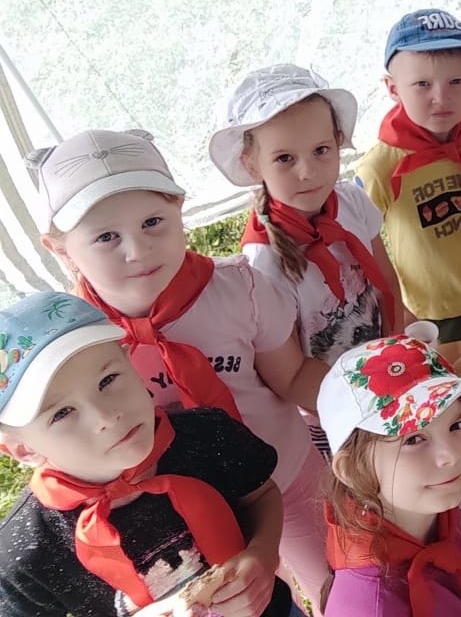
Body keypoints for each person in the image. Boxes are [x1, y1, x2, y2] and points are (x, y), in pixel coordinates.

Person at [32, 129, 331, 611]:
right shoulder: (71, 350)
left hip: (288, 475)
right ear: (60, 250)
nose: (137, 250)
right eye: (106, 237)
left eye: (153, 221)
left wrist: (371, 400)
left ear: (180, 208)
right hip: (179, 520)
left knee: (337, 583)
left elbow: (293, 377)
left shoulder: (241, 291)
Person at [0, 292, 301, 617]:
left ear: (129, 360)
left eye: (107, 380)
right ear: (22, 448)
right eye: (62, 413)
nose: (106, 417)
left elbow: (260, 495)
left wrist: (263, 553)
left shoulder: (207, 434)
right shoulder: (27, 547)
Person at [210, 64, 405, 457]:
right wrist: (367, 400)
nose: (308, 172)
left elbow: (386, 280)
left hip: (390, 372)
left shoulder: (352, 202)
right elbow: (290, 375)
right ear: (252, 164)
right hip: (333, 409)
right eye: (285, 158)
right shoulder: (262, 266)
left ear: (338, 141)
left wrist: (399, 351)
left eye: (321, 150)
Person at [355, 10, 461, 341]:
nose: (441, 98)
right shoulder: (380, 168)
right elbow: (360, 246)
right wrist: (394, 305)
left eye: (456, 82)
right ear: (393, 88)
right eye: (422, 84)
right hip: (435, 309)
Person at [317, 336, 461, 616]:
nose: (450, 456)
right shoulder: (371, 608)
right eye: (413, 439)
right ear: (352, 469)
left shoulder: (428, 505)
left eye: (457, 425)